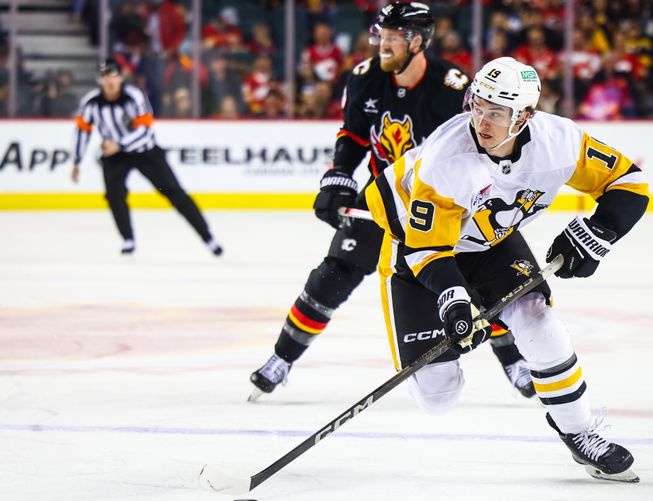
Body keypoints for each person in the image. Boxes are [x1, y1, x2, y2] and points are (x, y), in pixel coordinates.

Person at [364, 57, 648, 482]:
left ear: (525, 116)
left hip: (491, 242)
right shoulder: (447, 158)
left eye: (496, 111)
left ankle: (579, 431)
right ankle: (482, 324)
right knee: (437, 395)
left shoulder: (559, 141)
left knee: (538, 318)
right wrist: (455, 302)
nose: (482, 119)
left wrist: (598, 234)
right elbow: (427, 250)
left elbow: (629, 183)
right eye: (477, 105)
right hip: (416, 248)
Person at [249, 3, 534, 402]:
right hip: (385, 195)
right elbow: (353, 136)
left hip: (441, 201)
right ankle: (282, 358)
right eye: (380, 37)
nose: (381, 45)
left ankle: (514, 361)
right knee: (331, 276)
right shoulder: (365, 78)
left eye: (391, 38)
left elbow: (480, 144)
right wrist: (339, 178)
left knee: (470, 278)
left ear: (417, 41)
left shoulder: (451, 87)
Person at [70, 57, 223, 256]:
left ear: (121, 77)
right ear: (99, 80)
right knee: (115, 196)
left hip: (145, 152)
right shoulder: (91, 103)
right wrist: (77, 160)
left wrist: (119, 144)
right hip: (115, 156)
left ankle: (208, 236)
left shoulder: (134, 96)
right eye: (104, 76)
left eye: (113, 75)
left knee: (174, 192)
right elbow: (82, 131)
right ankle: (127, 238)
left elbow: (146, 131)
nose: (109, 81)